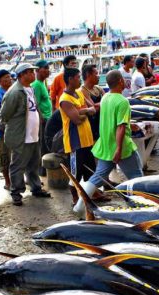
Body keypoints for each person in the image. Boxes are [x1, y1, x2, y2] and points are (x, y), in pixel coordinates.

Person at [73, 70, 143, 214]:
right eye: (123, 79)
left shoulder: (105, 98)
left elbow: (116, 120)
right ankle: (139, 207)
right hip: (121, 147)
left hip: (106, 145)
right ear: (120, 82)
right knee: (137, 177)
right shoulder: (123, 101)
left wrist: (130, 124)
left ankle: (79, 206)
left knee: (97, 177)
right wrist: (118, 149)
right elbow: (120, 127)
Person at [0, 63, 52, 206]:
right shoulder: (15, 92)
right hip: (21, 135)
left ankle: (36, 188)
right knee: (17, 165)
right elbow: (4, 115)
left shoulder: (30, 89)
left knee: (33, 163)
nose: (33, 74)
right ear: (22, 75)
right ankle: (16, 192)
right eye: (30, 72)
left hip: (33, 134)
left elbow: (34, 107)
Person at [59, 67, 96, 204]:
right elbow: (76, 119)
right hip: (75, 142)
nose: (80, 79)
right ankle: (75, 198)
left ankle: (91, 194)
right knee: (75, 173)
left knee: (91, 170)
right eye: (78, 77)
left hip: (87, 139)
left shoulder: (79, 94)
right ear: (70, 79)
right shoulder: (65, 99)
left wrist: (83, 111)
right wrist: (86, 111)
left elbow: (92, 108)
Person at [31, 59, 52, 159]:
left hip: (48, 118)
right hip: (43, 120)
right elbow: (35, 104)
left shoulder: (43, 83)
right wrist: (41, 119)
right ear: (38, 70)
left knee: (46, 144)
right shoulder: (36, 85)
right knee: (43, 145)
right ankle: (42, 169)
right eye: (46, 68)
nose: (48, 70)